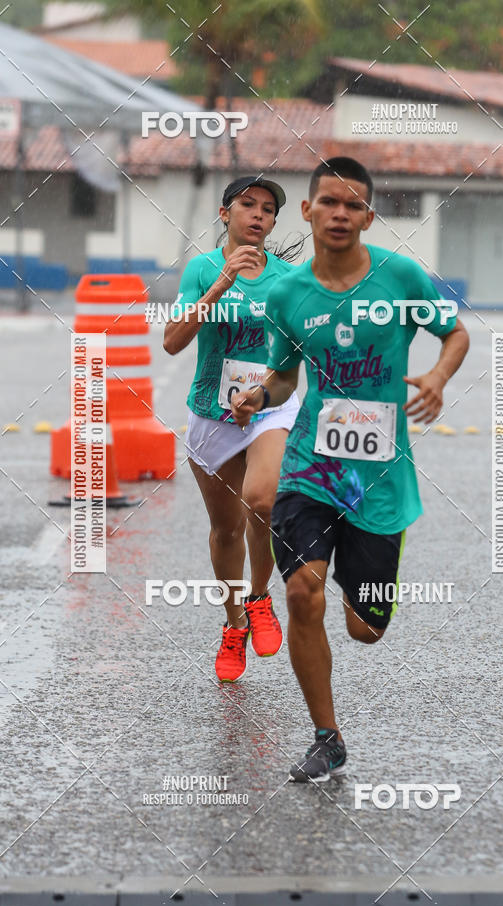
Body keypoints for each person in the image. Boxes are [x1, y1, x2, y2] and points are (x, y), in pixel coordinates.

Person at [230, 157, 470, 781]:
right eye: (328, 202)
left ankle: (360, 588)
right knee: (302, 592)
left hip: (379, 476)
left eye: (353, 205)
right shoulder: (287, 294)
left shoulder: (401, 278)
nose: (340, 213)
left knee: (365, 629)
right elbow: (285, 376)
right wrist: (260, 396)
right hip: (310, 466)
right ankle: (327, 736)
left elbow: (455, 334)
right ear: (308, 212)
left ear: (367, 215)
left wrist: (439, 378)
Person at [163, 175, 301, 683]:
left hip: (271, 407)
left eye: (268, 209)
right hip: (210, 413)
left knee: (262, 502)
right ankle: (234, 622)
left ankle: (261, 597)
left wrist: (261, 395)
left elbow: (295, 354)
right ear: (225, 214)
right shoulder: (200, 270)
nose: (259, 215)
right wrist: (222, 283)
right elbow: (173, 341)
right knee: (226, 529)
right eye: (248, 205)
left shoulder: (289, 278)